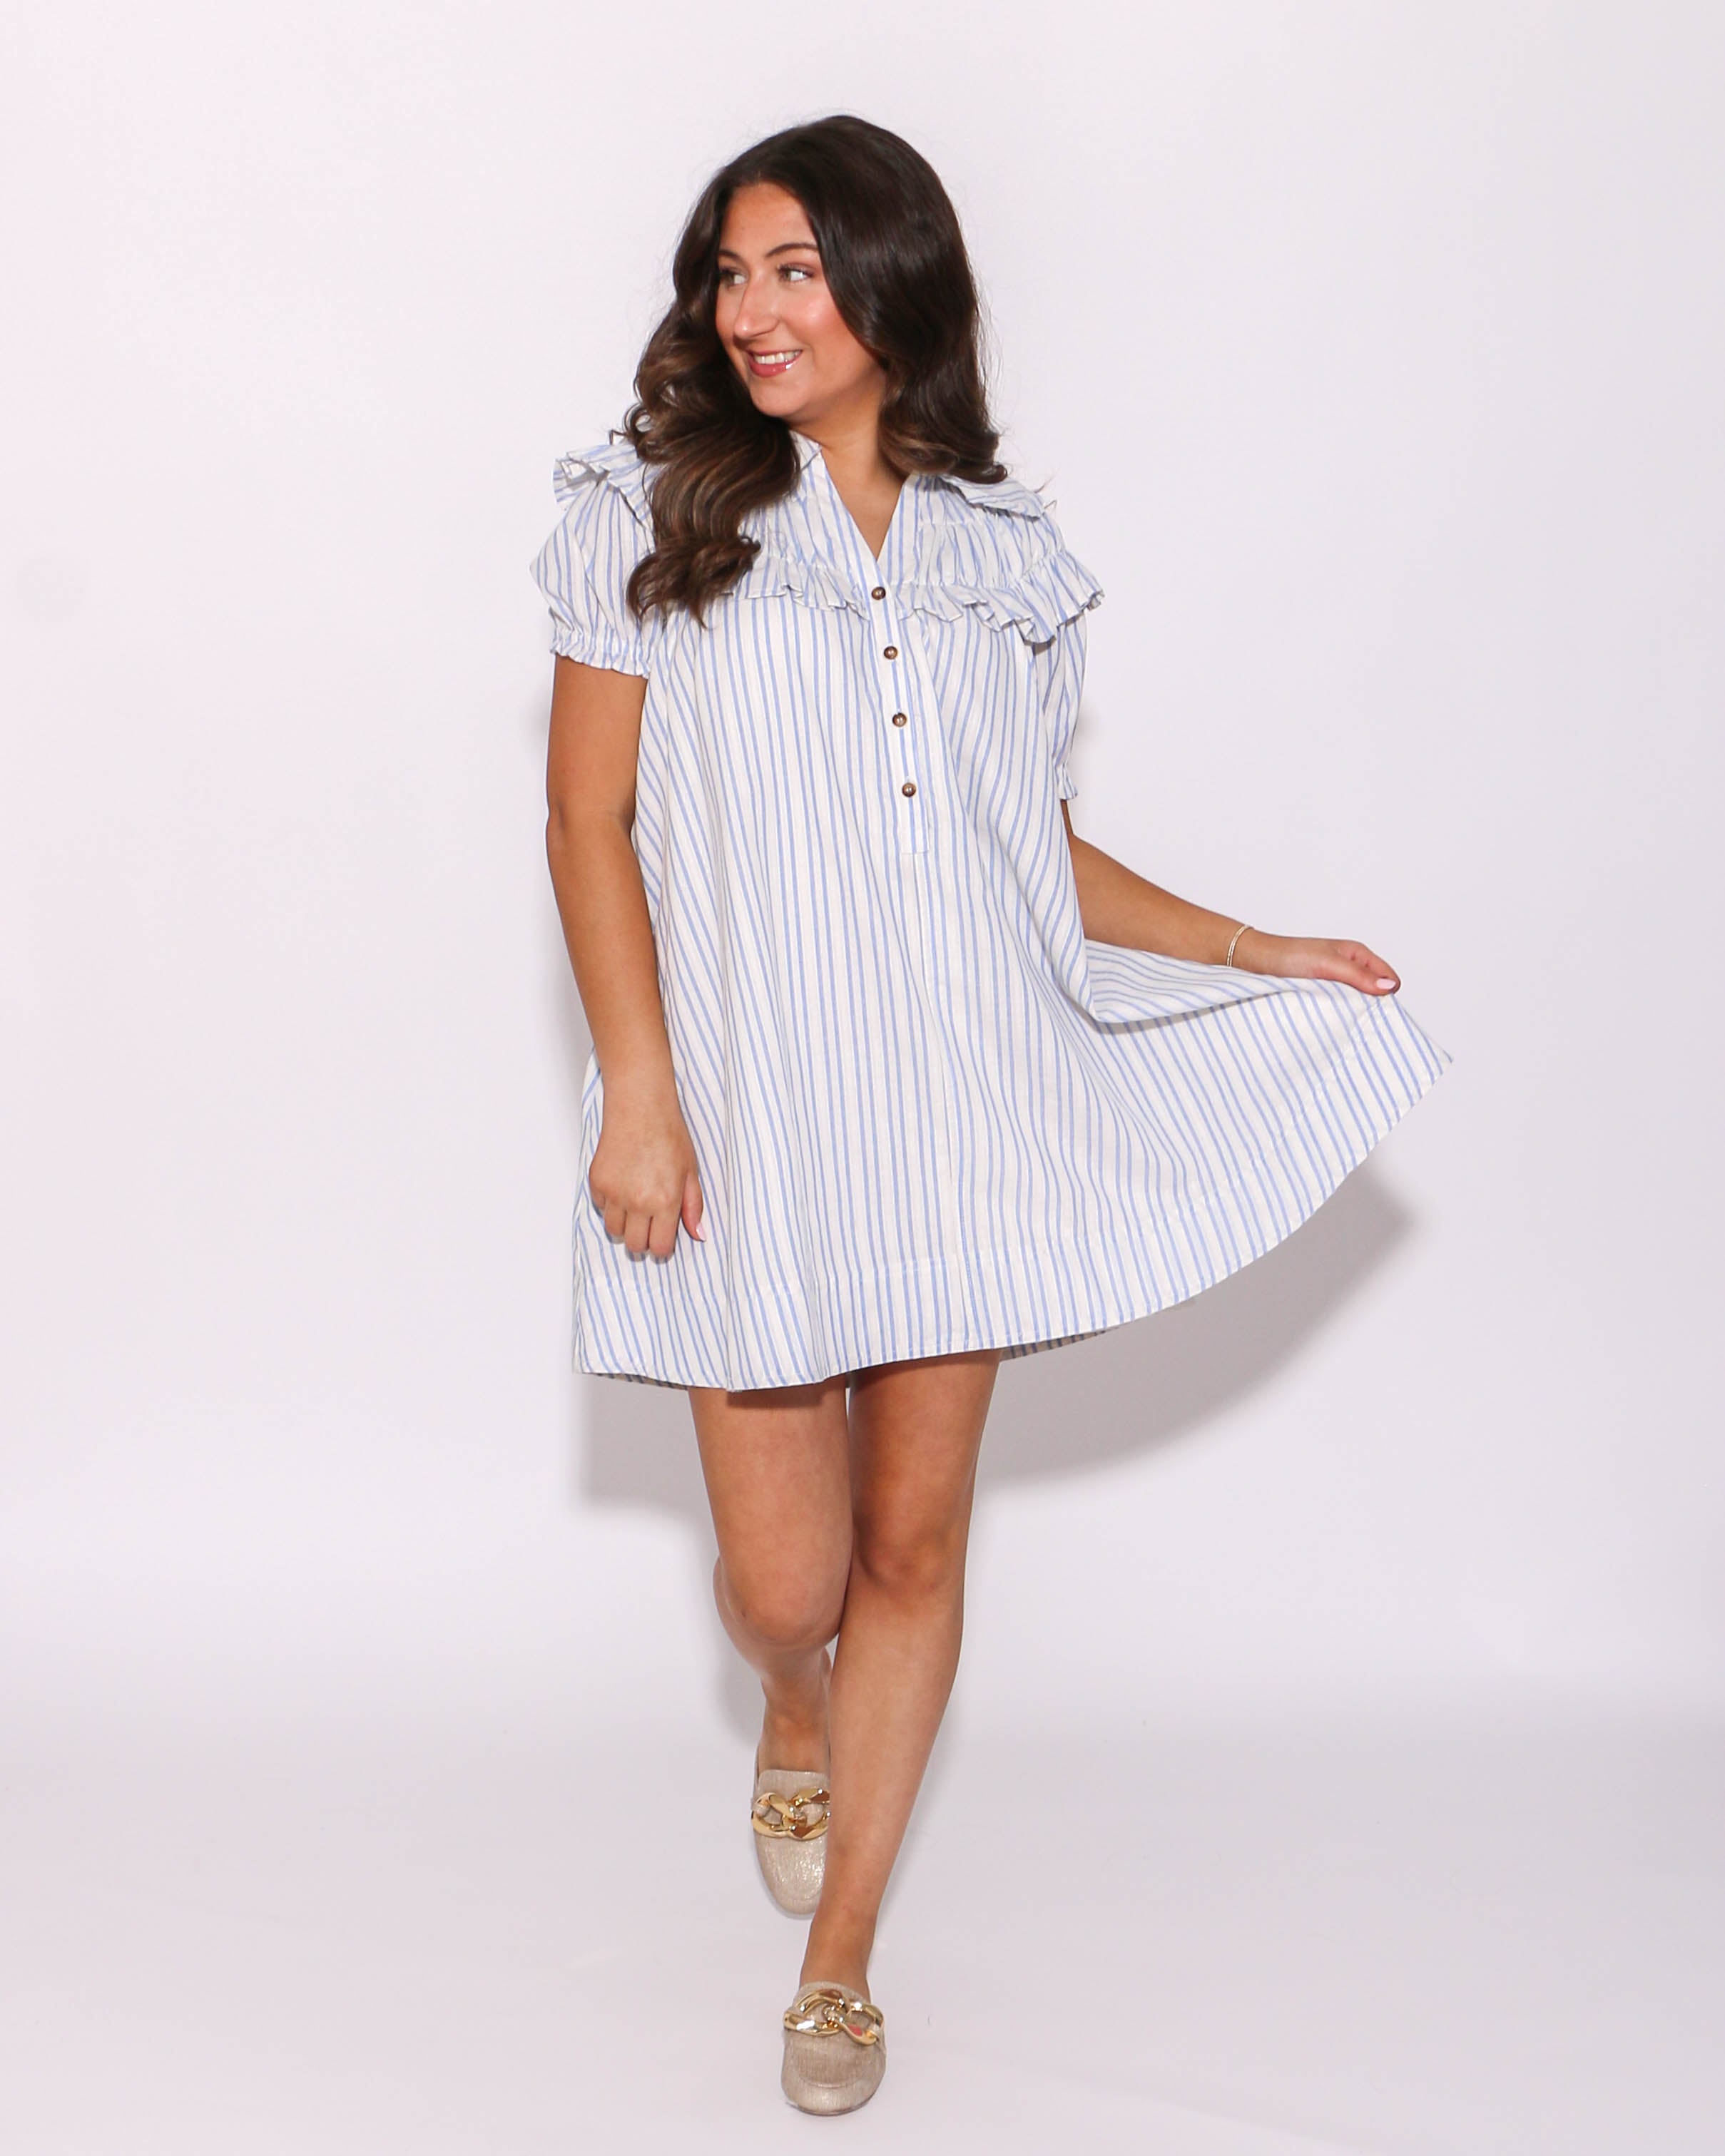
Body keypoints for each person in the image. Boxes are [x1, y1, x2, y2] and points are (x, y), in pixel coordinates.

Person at [531, 114, 1447, 2116]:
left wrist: (1251, 943)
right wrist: (640, 1091)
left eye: (794, 270)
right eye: (730, 274)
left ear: (894, 285)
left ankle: (841, 1963)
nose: (752, 311)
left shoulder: (1003, 561)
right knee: (790, 1586)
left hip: (962, 1113)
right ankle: (791, 1704)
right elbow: (586, 819)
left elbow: (1023, 848)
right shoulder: (646, 513)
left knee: (915, 1545)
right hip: (752, 1129)